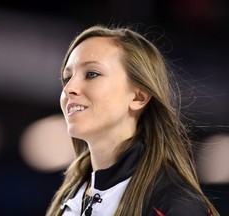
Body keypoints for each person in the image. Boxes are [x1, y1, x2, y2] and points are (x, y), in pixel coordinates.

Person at [45, 24, 219, 216]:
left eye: (92, 74)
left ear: (138, 97)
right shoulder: (71, 197)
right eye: (67, 77)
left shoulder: (175, 205)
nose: (69, 88)